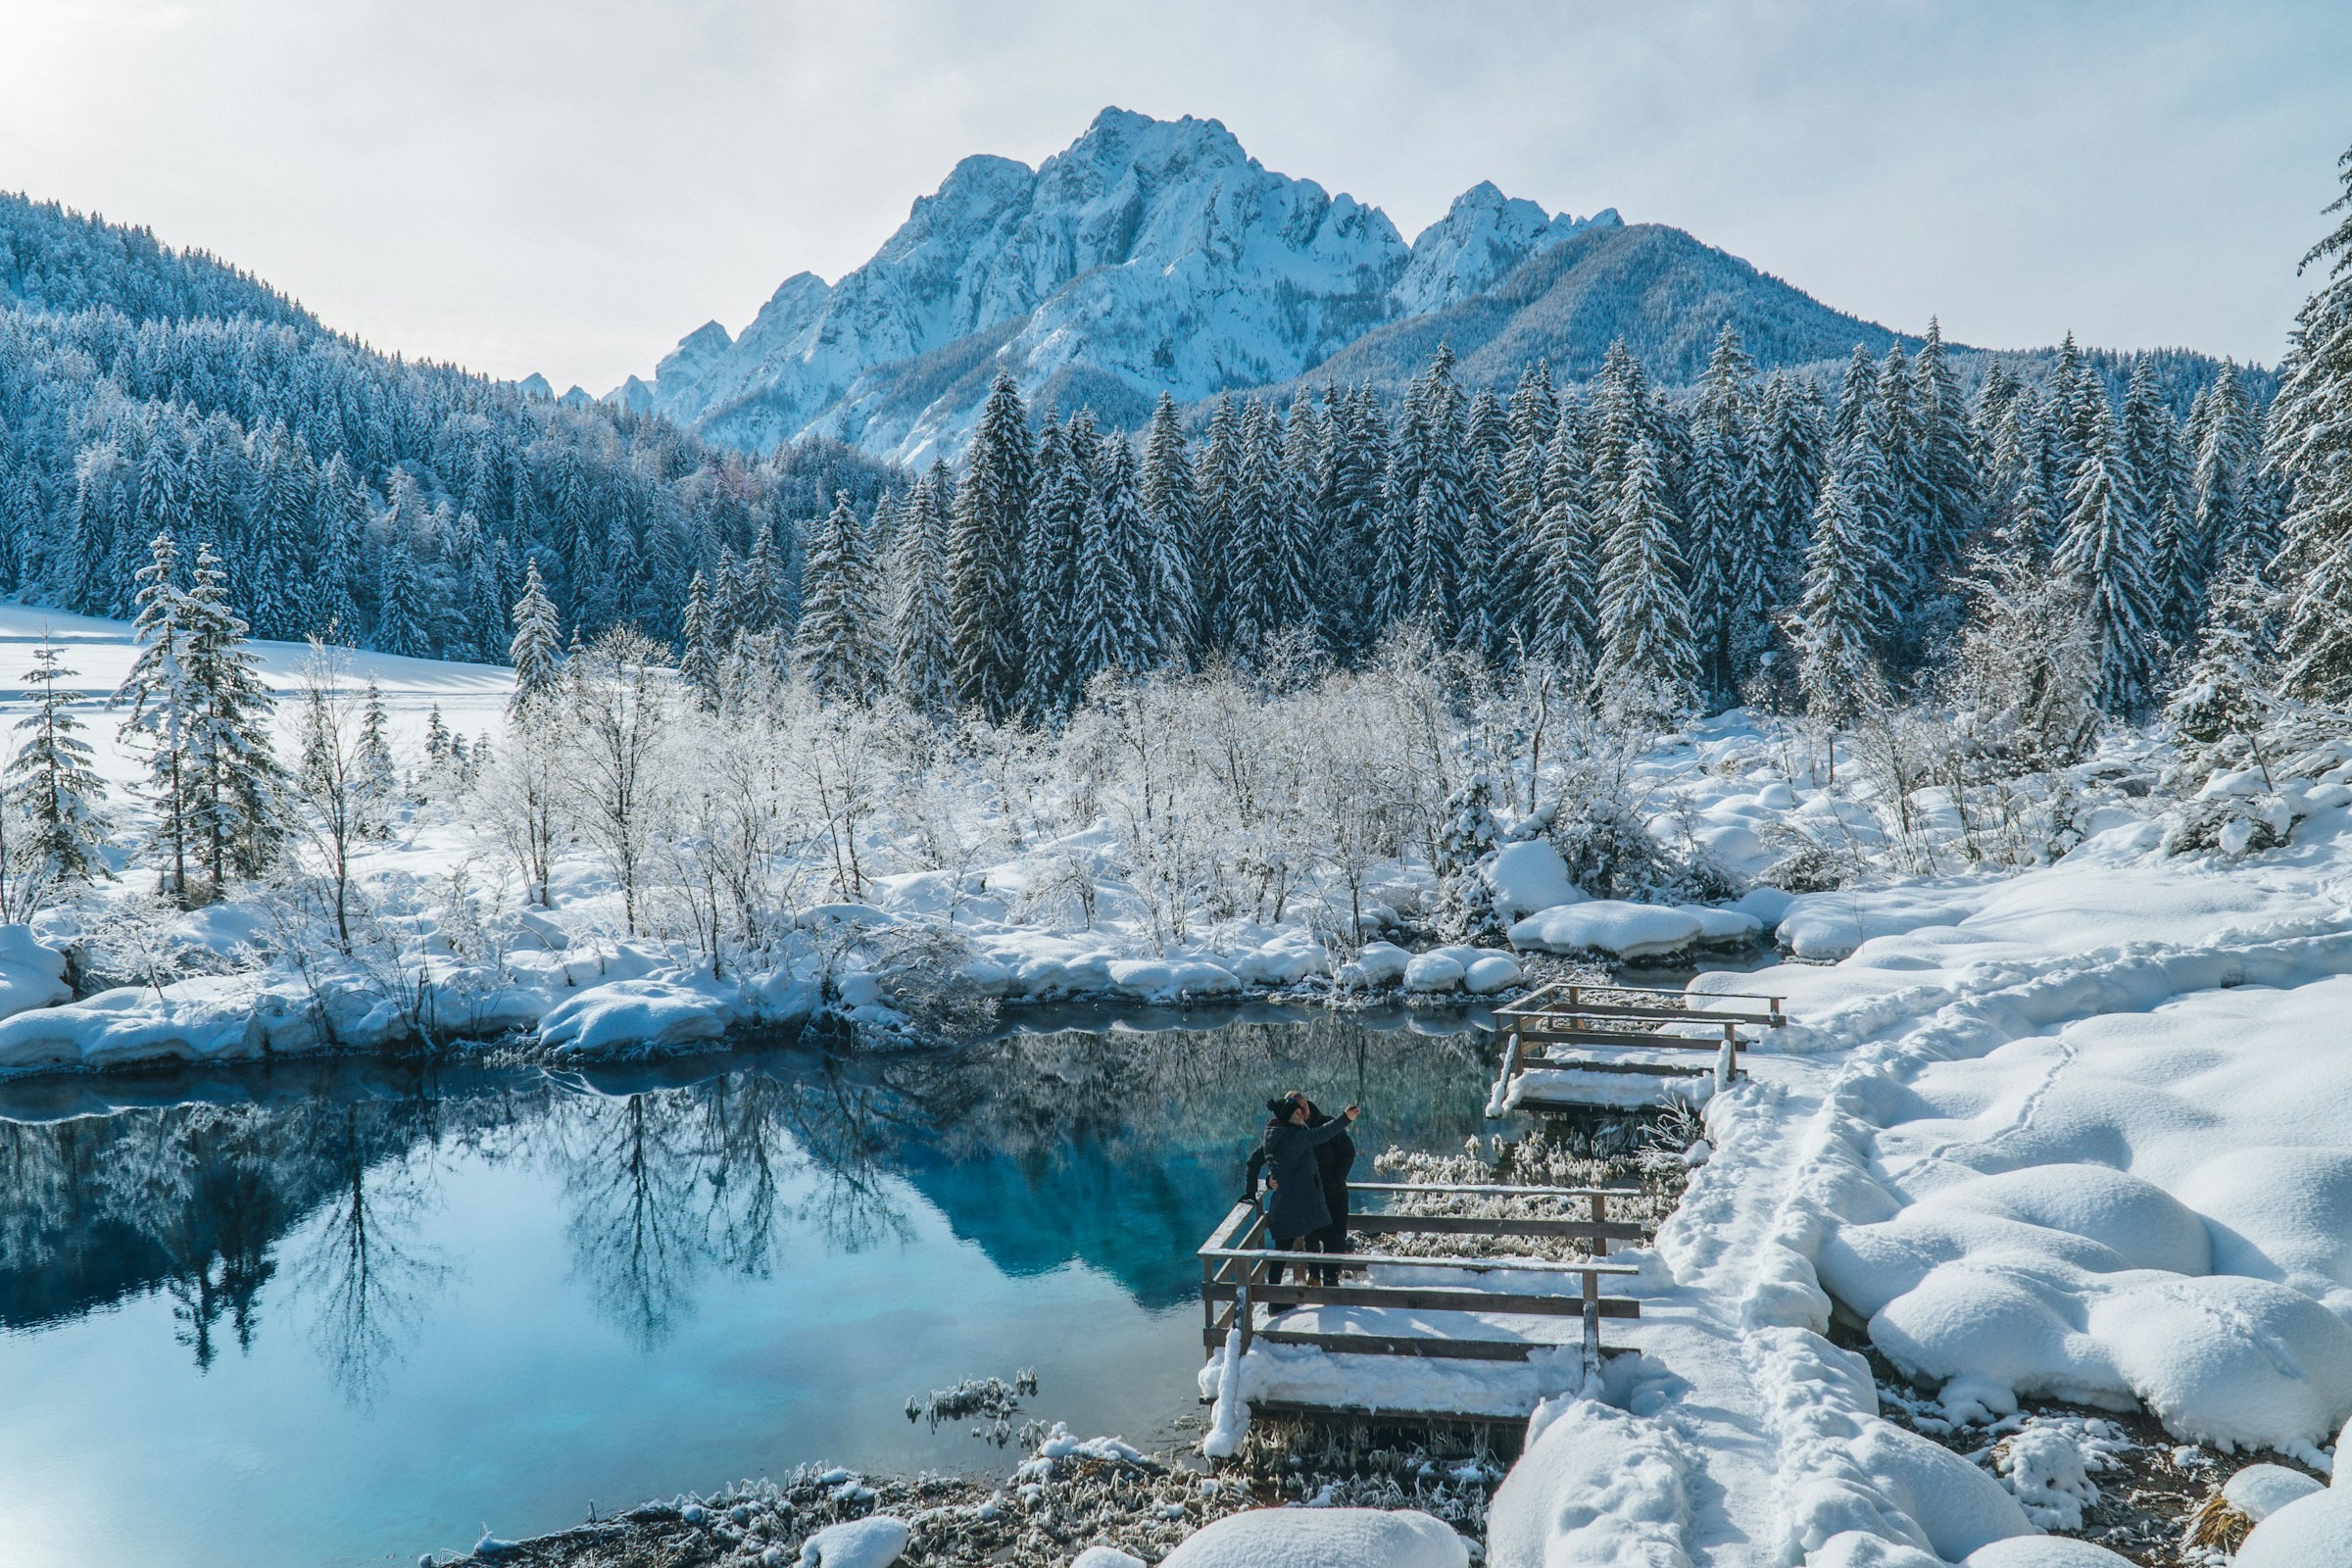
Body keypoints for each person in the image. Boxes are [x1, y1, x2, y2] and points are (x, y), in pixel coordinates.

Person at [1243, 1091, 1360, 1285]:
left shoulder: (1274, 1134)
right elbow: (1323, 1133)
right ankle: (1320, 1281)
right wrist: (1345, 1118)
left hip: (1314, 1198)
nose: (1302, 1113)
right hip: (1307, 1202)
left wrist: (1252, 1190)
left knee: (1284, 1249)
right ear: (1289, 1115)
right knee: (1323, 1241)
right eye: (1297, 1111)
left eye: (1303, 1107)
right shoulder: (1296, 1135)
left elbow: (1267, 1162)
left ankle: (1277, 1297)